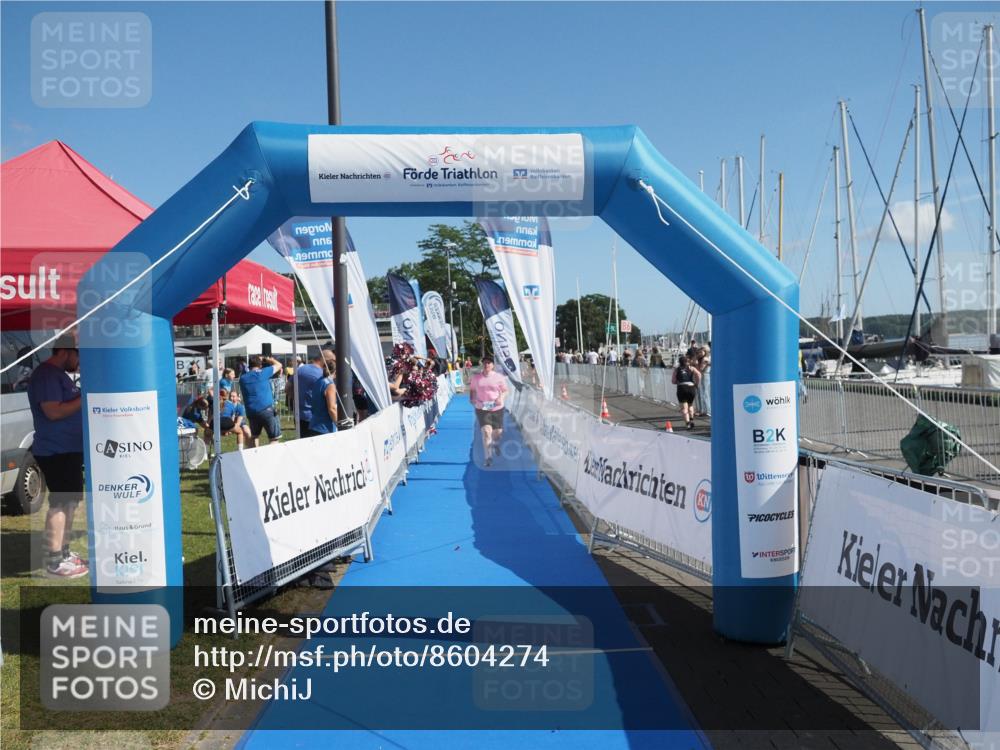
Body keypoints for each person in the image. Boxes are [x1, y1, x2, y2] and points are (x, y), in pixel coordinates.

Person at [27, 339, 87, 578]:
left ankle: (63, 553)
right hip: (56, 451)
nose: (79, 361)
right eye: (77, 354)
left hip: (67, 450)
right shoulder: (47, 375)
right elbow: (53, 412)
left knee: (69, 502)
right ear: (64, 351)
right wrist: (85, 397)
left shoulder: (58, 375)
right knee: (60, 503)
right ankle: (54, 561)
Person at [469, 355, 507, 467]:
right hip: (482, 407)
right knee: (486, 432)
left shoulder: (499, 377)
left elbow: (505, 391)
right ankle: (488, 457)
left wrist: (501, 398)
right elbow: (472, 390)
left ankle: (495, 443)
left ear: (493, 365)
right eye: (485, 362)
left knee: (497, 433)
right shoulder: (476, 378)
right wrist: (472, 398)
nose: (486, 365)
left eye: (489, 363)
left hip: (497, 407)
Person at [239, 353, 283, 447]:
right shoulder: (263, 373)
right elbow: (279, 365)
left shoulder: (243, 378)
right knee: (274, 438)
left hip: (251, 412)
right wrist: (269, 359)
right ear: (260, 365)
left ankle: (253, 455)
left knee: (254, 436)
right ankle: (273, 455)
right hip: (266, 410)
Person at [291, 351, 326, 437]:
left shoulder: (300, 369)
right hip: (316, 417)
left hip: (300, 415)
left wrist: (297, 399)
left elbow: (287, 388)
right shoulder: (322, 374)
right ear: (326, 360)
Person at [308, 352, 339, 435]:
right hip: (325, 428)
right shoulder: (330, 385)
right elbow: (332, 409)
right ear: (336, 371)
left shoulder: (318, 381)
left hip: (314, 424)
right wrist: (340, 426)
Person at [672, 354, 701, 430]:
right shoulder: (691, 368)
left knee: (684, 408)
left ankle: (688, 424)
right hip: (691, 387)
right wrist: (696, 383)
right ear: (687, 362)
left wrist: (678, 382)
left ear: (679, 362)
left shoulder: (677, 369)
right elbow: (699, 374)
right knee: (690, 405)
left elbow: (673, 381)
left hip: (682, 388)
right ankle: (691, 420)